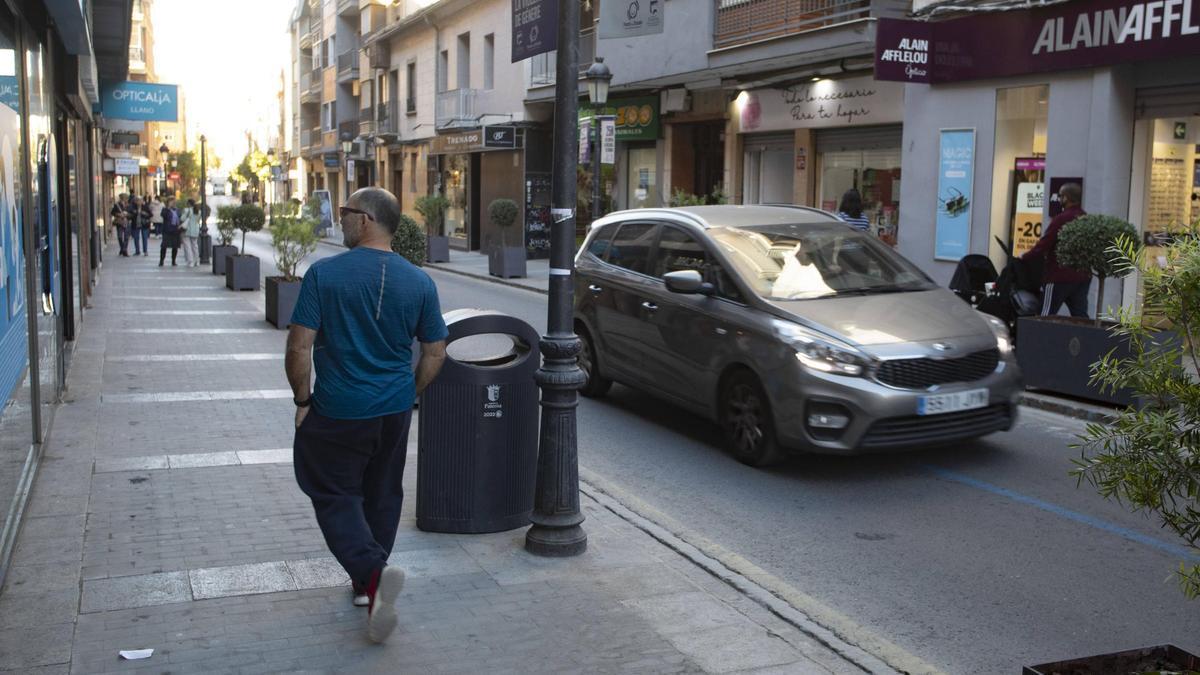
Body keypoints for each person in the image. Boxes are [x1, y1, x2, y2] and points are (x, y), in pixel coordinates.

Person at [286, 186, 448, 644]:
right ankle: (367, 587)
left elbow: (299, 346)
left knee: (332, 490)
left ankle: (372, 575)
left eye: (346, 213)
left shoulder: (325, 275)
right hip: (393, 408)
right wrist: (410, 393)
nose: (341, 219)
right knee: (381, 491)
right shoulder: (419, 281)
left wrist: (302, 401)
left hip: (339, 408)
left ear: (368, 220)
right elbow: (436, 352)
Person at [1024, 182, 1089, 318]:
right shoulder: (1086, 219)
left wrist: (1025, 256)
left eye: (1060, 196)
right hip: (1082, 277)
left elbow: (1044, 244)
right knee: (1081, 317)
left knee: (1044, 316)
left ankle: (1038, 339)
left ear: (1066, 198)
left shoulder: (1061, 219)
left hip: (1058, 276)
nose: (1059, 199)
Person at [158, 196, 182, 266]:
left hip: (175, 230)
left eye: (174, 201)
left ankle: (173, 261)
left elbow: (180, 216)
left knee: (175, 246)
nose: (173, 203)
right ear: (168, 202)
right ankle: (161, 260)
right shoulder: (165, 209)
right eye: (171, 201)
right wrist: (168, 208)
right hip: (167, 230)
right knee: (164, 246)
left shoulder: (177, 210)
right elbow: (163, 215)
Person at [180, 199, 201, 267]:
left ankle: (190, 261)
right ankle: (197, 261)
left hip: (187, 230)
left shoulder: (187, 210)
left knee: (187, 246)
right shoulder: (198, 211)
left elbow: (182, 219)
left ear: (189, 204)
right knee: (195, 246)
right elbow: (198, 220)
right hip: (195, 230)